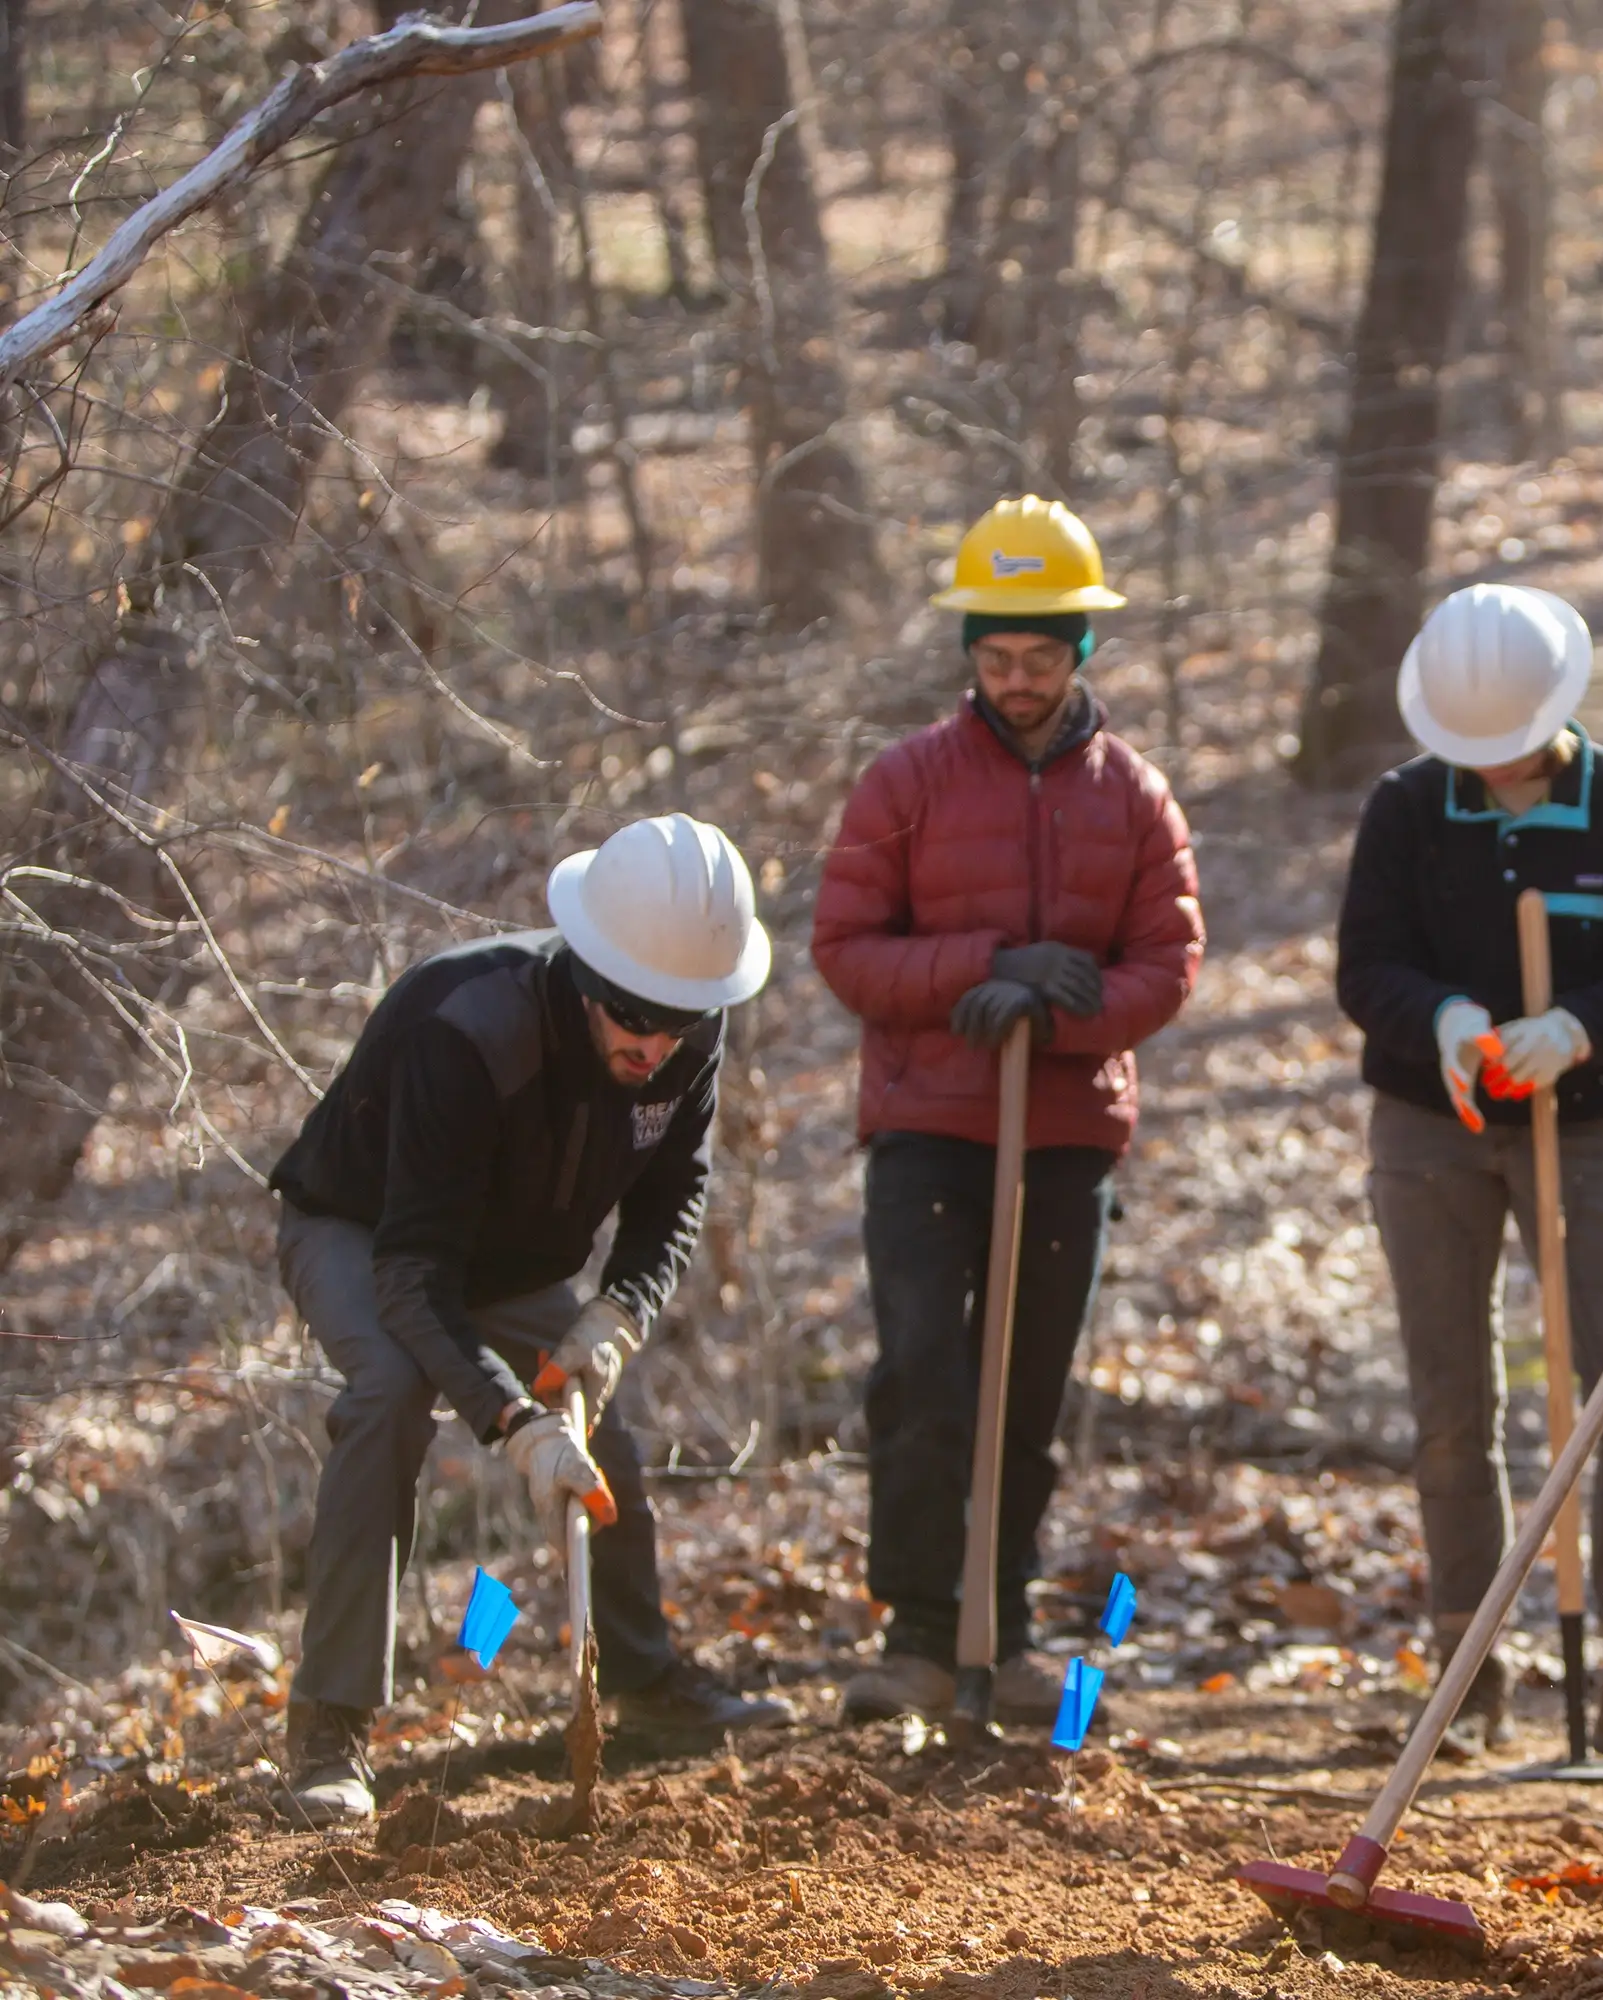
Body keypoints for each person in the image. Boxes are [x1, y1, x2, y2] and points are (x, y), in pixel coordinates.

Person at [269, 813, 792, 1826]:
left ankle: (642, 1678)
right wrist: (513, 1426)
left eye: (677, 1019)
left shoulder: (687, 1030)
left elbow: (675, 1194)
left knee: (608, 1441)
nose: (653, 1043)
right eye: (633, 1016)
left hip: (517, 1260)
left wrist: (616, 1312)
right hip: (365, 1228)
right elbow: (414, 1273)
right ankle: (327, 1725)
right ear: (591, 971)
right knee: (388, 1394)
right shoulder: (462, 1023)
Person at [815, 494, 1202, 1725]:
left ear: (1080, 652)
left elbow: (1168, 961)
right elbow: (844, 947)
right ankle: (923, 1630)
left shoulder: (1135, 796)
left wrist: (1060, 1013)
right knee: (928, 1377)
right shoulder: (904, 782)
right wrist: (980, 970)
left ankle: (1010, 1624)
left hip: (1068, 1133)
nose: (1018, 681)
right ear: (969, 653)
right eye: (997, 659)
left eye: (1041, 659)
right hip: (927, 1126)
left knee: (1026, 1390)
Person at [1334, 583, 1603, 1762]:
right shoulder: (1406, 807)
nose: (1495, 762)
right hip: (1428, 1130)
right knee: (1453, 1407)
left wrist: (1585, 1025)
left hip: (1583, 1124)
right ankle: (1470, 1675)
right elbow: (1366, 966)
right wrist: (1445, 1018)